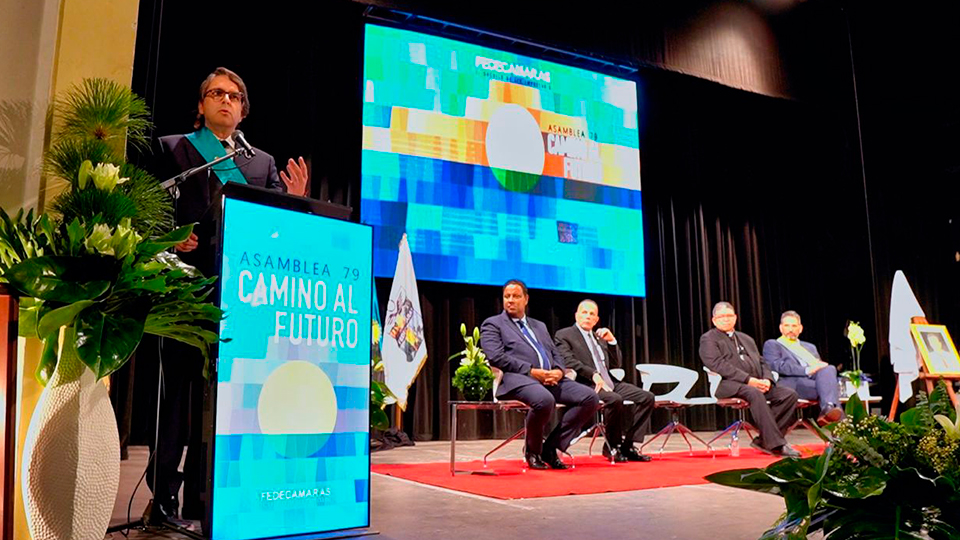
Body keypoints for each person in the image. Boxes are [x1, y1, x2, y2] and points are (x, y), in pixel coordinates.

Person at [144, 67, 309, 521]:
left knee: (228, 397)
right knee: (177, 398)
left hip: (241, 297)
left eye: (234, 96)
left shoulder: (261, 163)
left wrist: (295, 200)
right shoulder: (173, 149)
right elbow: (148, 208)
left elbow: (278, 231)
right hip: (184, 290)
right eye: (216, 93)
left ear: (243, 110)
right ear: (201, 105)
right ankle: (163, 494)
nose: (225, 100)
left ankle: (209, 494)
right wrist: (170, 237)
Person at [480, 280, 601, 470]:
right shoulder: (493, 324)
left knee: (590, 398)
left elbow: (555, 353)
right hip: (518, 379)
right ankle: (533, 451)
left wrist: (558, 371)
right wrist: (531, 371)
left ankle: (551, 448)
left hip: (550, 379)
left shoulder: (539, 326)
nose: (510, 300)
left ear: (526, 299)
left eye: (516, 296)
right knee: (544, 400)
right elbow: (496, 357)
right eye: (507, 296)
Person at [554, 300, 654, 462]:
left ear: (596, 320)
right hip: (586, 383)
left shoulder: (599, 338)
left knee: (647, 397)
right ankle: (612, 446)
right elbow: (567, 360)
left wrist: (612, 341)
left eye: (592, 314)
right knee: (615, 399)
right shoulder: (565, 335)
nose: (587, 316)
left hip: (610, 382)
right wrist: (592, 374)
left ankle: (628, 445)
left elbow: (616, 364)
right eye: (584, 312)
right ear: (576, 315)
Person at [699, 302, 800, 457]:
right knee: (754, 393)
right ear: (714, 320)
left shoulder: (746, 338)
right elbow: (717, 364)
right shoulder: (709, 339)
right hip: (727, 384)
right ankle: (777, 444)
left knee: (789, 394)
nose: (726, 319)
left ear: (735, 317)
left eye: (729, 316)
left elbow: (762, 362)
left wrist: (767, 380)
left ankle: (765, 440)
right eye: (721, 316)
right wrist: (748, 380)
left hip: (756, 383)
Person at [762, 310, 843, 426]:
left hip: (813, 382)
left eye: (794, 326)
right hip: (792, 383)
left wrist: (818, 368)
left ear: (800, 328)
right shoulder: (773, 344)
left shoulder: (810, 347)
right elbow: (777, 366)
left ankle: (828, 408)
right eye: (787, 325)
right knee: (830, 389)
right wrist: (806, 370)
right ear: (781, 328)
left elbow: (820, 371)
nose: (790, 329)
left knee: (829, 369)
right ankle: (839, 423)